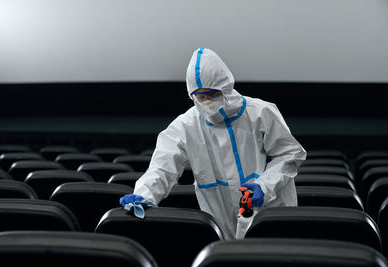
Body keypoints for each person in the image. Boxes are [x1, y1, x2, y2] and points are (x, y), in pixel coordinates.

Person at [120, 48, 307, 240]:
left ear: (225, 87)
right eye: (200, 97)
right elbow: (162, 168)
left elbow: (291, 154)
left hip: (271, 213)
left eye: (212, 94)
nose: (207, 102)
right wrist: (145, 194)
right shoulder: (185, 126)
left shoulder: (260, 113)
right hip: (222, 221)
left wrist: (265, 187)